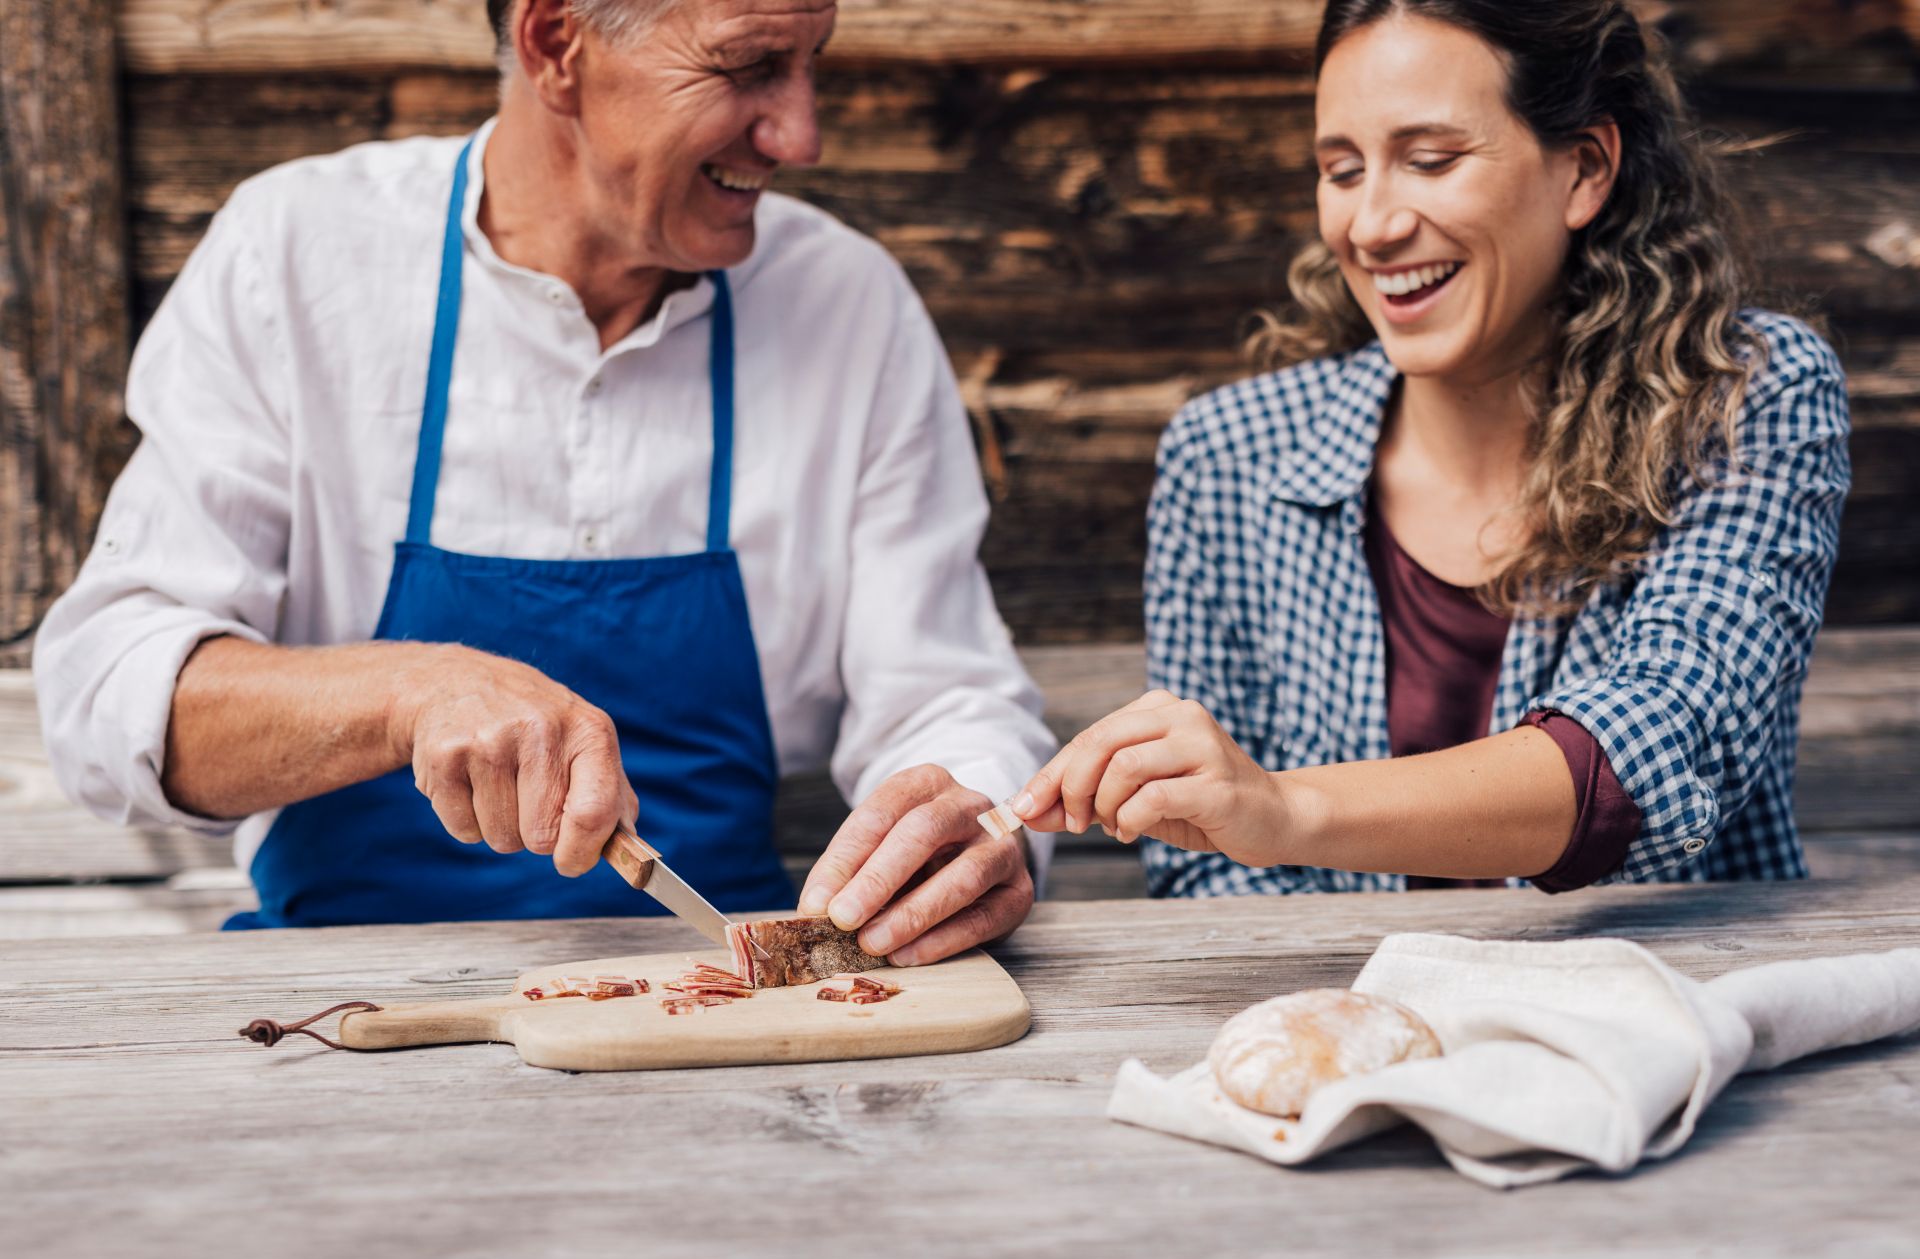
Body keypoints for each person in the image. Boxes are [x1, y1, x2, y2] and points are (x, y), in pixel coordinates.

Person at [32, 0, 1052, 963]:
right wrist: (409, 693)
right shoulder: (298, 256)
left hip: (715, 1011)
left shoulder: (848, 305)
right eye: (748, 68)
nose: (799, 135)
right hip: (340, 1000)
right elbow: (114, 698)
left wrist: (974, 819)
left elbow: (946, 694)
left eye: (811, 64)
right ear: (556, 42)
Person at [1010, 0, 1850, 894]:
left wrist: (1283, 810)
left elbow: (1658, 750)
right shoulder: (1226, 457)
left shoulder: (1743, 396)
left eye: (1431, 160)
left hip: (1670, 1010)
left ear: (1585, 168)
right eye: (1341, 169)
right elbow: (1204, 869)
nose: (1370, 226)